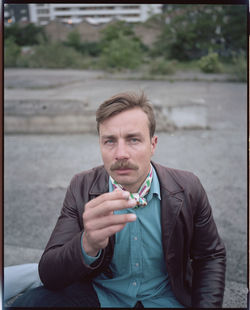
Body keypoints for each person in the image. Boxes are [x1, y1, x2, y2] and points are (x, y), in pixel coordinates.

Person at [13, 91, 226, 308]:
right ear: (100, 144)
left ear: (153, 144)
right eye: (110, 141)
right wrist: (86, 244)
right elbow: (49, 274)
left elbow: (210, 256)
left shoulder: (187, 187)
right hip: (102, 296)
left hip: (166, 299)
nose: (121, 153)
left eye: (133, 139)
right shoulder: (82, 186)